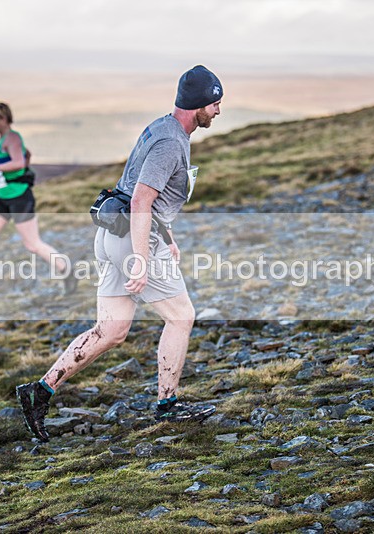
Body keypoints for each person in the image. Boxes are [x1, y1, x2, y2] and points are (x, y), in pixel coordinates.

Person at [17, 66, 223, 442]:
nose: (218, 111)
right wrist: (143, 259)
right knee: (181, 317)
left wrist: (168, 236)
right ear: (199, 104)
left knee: (110, 330)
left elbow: (141, 193)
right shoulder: (170, 143)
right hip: (132, 239)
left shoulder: (161, 128)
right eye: (215, 103)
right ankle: (168, 406)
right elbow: (143, 199)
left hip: (112, 237)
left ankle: (40, 391)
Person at [0, 102, 76, 300]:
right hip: (2, 199)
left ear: (4, 118)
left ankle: (68, 271)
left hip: (19, 198)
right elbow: (24, 159)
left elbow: (18, 161)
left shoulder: (12, 138)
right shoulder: (2, 140)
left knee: (33, 244)